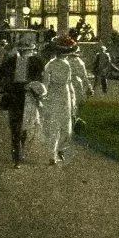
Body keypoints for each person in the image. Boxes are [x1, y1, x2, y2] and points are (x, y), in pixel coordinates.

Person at [0, 32, 45, 169]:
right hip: (21, 96)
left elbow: (41, 80)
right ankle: (17, 154)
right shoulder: (17, 61)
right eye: (25, 51)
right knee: (19, 125)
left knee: (21, 125)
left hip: (22, 96)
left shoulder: (30, 62)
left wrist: (0, 88)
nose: (26, 53)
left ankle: (18, 152)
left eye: (27, 51)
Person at [42, 36, 77, 166]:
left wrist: (72, 98)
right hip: (57, 93)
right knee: (59, 124)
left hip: (63, 93)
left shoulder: (63, 64)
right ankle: (54, 154)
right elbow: (46, 83)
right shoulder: (50, 65)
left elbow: (69, 82)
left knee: (61, 124)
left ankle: (58, 151)